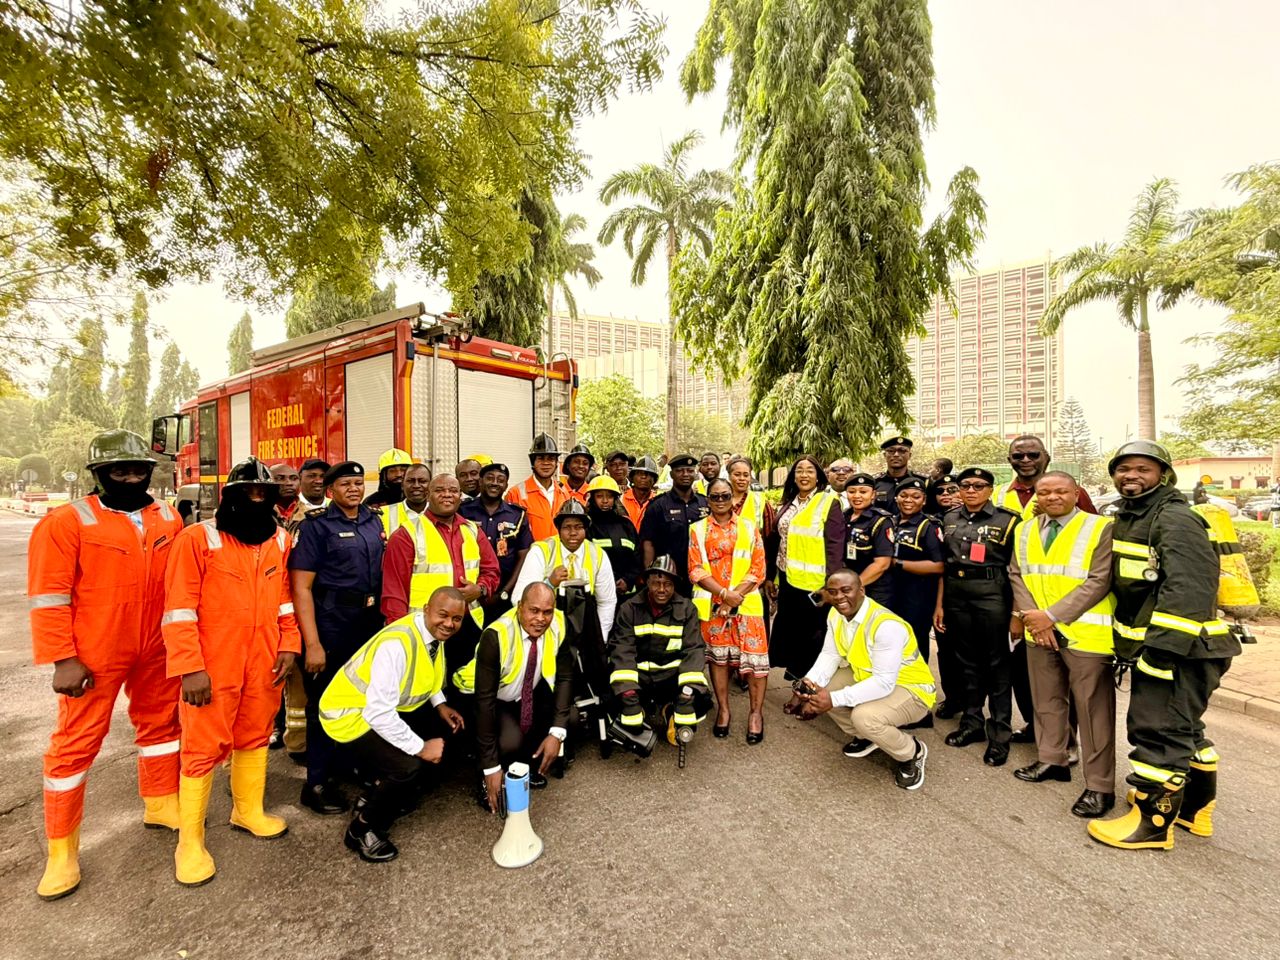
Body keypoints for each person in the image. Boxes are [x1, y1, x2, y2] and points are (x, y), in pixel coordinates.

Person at [27, 429, 184, 901]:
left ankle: (159, 803)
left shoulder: (169, 517)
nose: (132, 477)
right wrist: (63, 658)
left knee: (162, 727)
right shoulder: (65, 523)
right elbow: (49, 598)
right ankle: (62, 851)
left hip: (156, 646)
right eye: (121, 470)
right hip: (94, 651)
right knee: (74, 744)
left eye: (139, 469)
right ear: (99, 474)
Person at [1088, 441, 1240, 851]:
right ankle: (1194, 809)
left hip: (1178, 652)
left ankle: (1152, 825)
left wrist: (1161, 654)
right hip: (1167, 649)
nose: (1130, 476)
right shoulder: (1136, 516)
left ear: (1163, 475)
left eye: (1142, 469)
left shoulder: (1173, 519)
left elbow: (1188, 590)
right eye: (1123, 469)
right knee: (1187, 729)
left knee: (1157, 730)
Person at [162, 458, 300, 886]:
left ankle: (248, 811)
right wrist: (189, 668)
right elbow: (178, 609)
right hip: (211, 663)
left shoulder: (278, 539)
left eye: (264, 492)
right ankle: (190, 841)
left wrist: (289, 645)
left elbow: (284, 601)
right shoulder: (198, 539)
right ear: (231, 495)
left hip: (264, 660)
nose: (257, 498)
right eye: (248, 492)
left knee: (255, 735)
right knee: (202, 748)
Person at [319, 587, 469, 863]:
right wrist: (421, 747)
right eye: (443, 615)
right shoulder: (397, 644)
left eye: (457, 619)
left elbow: (427, 669)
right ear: (426, 609)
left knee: (447, 734)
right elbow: (379, 714)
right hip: (348, 715)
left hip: (377, 709)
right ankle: (362, 829)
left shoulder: (431, 633)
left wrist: (440, 704)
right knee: (406, 767)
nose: (449, 624)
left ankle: (377, 793)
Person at [1007, 471, 1118, 819]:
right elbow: (1017, 574)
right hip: (1038, 631)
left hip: (1085, 633)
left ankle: (1100, 786)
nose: (1052, 497)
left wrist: (1050, 616)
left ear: (1076, 493)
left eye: (1060, 491)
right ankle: (1052, 759)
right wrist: (1032, 618)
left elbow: (1099, 580)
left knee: (1093, 713)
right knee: (1047, 700)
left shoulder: (1100, 528)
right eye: (1044, 492)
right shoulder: (1025, 529)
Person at [289, 460, 386, 816]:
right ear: (330, 491)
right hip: (331, 623)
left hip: (368, 623)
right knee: (323, 703)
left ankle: (348, 764)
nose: (354, 489)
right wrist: (312, 643)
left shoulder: (374, 520)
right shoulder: (316, 527)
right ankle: (315, 782)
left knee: (361, 698)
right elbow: (301, 588)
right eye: (346, 484)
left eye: (358, 483)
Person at [786, 571, 934, 791]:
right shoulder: (836, 615)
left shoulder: (886, 625)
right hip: (869, 676)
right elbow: (831, 654)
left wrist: (833, 699)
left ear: (861, 590)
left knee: (864, 716)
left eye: (846, 590)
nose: (839, 597)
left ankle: (912, 751)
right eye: (833, 592)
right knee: (820, 691)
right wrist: (808, 685)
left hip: (912, 689)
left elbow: (884, 682)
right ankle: (866, 737)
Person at [457, 583, 574, 811]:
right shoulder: (496, 635)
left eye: (547, 612)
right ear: (520, 607)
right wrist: (490, 767)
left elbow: (565, 678)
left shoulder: (559, 622)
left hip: (525, 691)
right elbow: (485, 702)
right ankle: (485, 776)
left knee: (570, 718)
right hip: (486, 697)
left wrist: (557, 733)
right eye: (534, 610)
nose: (541, 619)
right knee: (510, 741)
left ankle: (523, 766)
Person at [934, 467, 1021, 766]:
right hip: (957, 592)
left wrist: (1016, 612)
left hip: (991, 592)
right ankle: (972, 723)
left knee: (996, 665)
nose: (971, 490)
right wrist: (942, 603)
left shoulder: (1008, 521)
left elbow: (1017, 569)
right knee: (966, 662)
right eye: (966, 485)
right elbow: (945, 565)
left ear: (990, 489)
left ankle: (1000, 734)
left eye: (978, 485)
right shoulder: (949, 519)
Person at [380, 472, 501, 654]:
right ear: (428, 495)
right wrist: (399, 634)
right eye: (439, 490)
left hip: (467, 625)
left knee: (466, 680)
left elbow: (491, 570)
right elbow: (394, 591)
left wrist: (481, 589)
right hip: (423, 628)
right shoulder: (406, 535)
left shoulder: (472, 530)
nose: (447, 494)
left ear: (460, 496)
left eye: (453, 490)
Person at [688, 479, 768, 743]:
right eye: (715, 497)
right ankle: (723, 709)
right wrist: (723, 595)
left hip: (748, 603)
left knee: (755, 664)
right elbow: (695, 569)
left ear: (733, 498)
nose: (720, 501)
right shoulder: (697, 530)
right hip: (713, 606)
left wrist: (736, 596)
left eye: (725, 496)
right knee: (719, 660)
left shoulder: (748, 527)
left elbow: (758, 568)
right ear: (707, 500)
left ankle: (756, 714)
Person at [609, 556, 711, 750]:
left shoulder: (687, 609)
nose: (662, 589)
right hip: (640, 680)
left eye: (668, 584)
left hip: (671, 679)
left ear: (674, 586)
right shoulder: (629, 609)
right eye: (656, 583)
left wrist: (687, 693)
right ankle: (640, 710)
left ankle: (672, 710)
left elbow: (694, 650)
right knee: (612, 700)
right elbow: (622, 651)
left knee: (702, 700)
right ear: (646, 582)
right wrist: (629, 694)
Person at [765, 456, 846, 679]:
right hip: (789, 579)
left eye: (810, 470)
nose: (804, 475)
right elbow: (776, 541)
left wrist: (831, 586)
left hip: (816, 584)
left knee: (812, 636)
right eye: (799, 470)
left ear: (819, 476)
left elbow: (835, 547)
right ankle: (796, 678)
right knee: (792, 632)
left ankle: (806, 687)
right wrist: (771, 575)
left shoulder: (828, 503)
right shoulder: (788, 503)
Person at [460, 462, 534, 624]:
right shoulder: (462, 511)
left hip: (503, 595)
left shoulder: (517, 514)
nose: (495, 483)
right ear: (480, 481)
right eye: (490, 478)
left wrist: (505, 592)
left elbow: (523, 556)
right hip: (469, 593)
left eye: (501, 480)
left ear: (506, 485)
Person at [887, 477, 945, 679]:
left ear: (924, 500)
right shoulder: (889, 522)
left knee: (915, 647)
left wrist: (897, 563)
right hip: (890, 595)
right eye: (903, 495)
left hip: (917, 597)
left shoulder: (928, 526)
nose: (908, 500)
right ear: (896, 498)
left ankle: (919, 696)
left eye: (915, 496)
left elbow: (939, 565)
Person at [638, 453, 709, 596]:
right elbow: (648, 543)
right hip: (669, 576)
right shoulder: (658, 505)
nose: (685, 474)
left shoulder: (705, 503)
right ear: (671, 474)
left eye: (689, 471)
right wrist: (650, 576)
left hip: (703, 575)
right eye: (680, 470)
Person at [995, 435, 1097, 520]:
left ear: (1046, 458)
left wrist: (1054, 517)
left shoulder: (1072, 491)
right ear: (1009, 460)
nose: (1025, 460)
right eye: (1018, 456)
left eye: (1033, 455)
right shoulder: (996, 493)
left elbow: (1092, 529)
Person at [506, 433, 571, 542]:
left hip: (559, 556)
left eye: (550, 459)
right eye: (541, 458)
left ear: (556, 463)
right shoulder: (515, 494)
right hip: (531, 556)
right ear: (533, 462)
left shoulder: (563, 493)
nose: (546, 463)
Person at [842, 472, 895, 608]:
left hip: (874, 588)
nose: (857, 496)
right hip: (847, 585)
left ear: (873, 494)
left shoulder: (881, 520)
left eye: (863, 492)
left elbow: (882, 564)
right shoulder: (843, 517)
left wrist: (855, 586)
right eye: (852, 491)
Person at [585, 476, 642, 594]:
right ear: (592, 498)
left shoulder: (626, 525)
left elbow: (637, 556)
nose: (605, 501)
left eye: (609, 496)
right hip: (598, 593)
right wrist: (609, 581)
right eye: (600, 496)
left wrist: (628, 580)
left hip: (626, 594)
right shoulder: (587, 525)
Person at [872, 437, 927, 515]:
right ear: (885, 455)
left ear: (909, 455)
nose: (896, 455)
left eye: (902, 451)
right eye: (891, 451)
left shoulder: (924, 481)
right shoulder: (875, 482)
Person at [380, 462, 431, 540]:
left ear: (431, 485)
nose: (416, 485)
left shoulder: (443, 515)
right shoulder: (382, 514)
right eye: (410, 481)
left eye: (422, 481)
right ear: (402, 485)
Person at [622, 455, 659, 530]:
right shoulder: (621, 499)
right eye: (639, 473)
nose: (643, 477)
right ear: (632, 478)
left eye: (648, 474)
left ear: (654, 480)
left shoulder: (658, 502)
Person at [269, 462, 303, 533]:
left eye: (294, 478)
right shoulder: (258, 513)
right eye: (280, 478)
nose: (289, 483)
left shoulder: (309, 514)